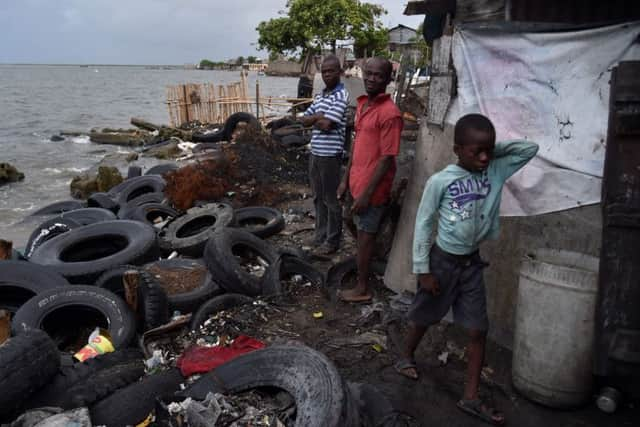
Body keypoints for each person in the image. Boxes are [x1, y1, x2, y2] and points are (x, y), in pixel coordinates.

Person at [396, 113, 539, 425]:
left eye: (488, 150)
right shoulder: (440, 182)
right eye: (477, 151)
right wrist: (423, 269)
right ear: (457, 148)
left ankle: (470, 397)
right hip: (442, 263)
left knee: (477, 330)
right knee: (425, 316)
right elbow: (423, 225)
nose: (485, 157)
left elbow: (530, 149)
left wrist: (490, 149)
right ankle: (405, 355)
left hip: (471, 265)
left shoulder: (496, 169)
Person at [337, 57, 403, 302]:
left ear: (388, 79)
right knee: (350, 221)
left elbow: (387, 159)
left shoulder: (390, 114)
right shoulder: (363, 105)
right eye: (370, 74)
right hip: (356, 181)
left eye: (379, 76)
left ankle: (362, 287)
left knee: (365, 237)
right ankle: (370, 256)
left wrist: (366, 195)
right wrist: (345, 180)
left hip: (373, 190)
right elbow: (356, 146)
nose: (373, 79)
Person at [300, 55, 350, 255]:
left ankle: (332, 241)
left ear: (340, 72)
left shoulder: (342, 96)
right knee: (317, 197)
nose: (327, 74)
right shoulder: (320, 96)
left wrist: (318, 118)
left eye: (331, 71)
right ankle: (320, 235)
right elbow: (304, 119)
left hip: (330, 156)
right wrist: (318, 117)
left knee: (331, 200)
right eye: (324, 71)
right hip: (315, 153)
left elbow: (327, 125)